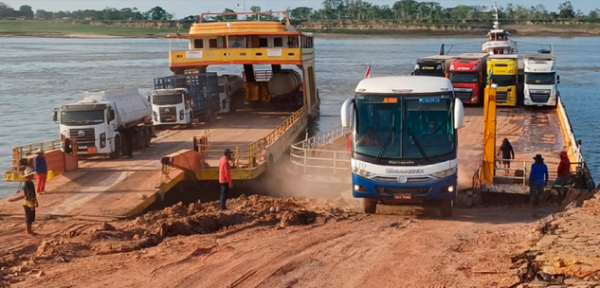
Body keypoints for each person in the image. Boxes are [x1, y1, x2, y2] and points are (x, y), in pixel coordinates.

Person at [22, 168, 39, 235]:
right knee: (28, 217)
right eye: (31, 175)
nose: (33, 176)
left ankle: (30, 230)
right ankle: (28, 231)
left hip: (32, 202)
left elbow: (33, 194)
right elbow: (28, 195)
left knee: (32, 217)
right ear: (28, 176)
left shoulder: (31, 183)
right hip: (28, 203)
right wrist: (31, 205)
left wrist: (36, 201)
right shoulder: (26, 184)